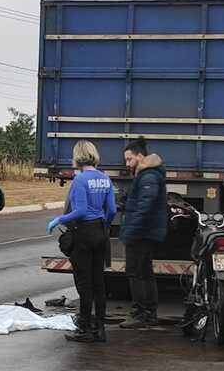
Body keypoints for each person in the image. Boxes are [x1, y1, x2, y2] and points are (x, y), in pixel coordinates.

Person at [47, 141, 116, 343]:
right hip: (100, 232)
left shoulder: (80, 180)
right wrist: (104, 225)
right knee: (99, 282)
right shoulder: (105, 179)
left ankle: (84, 327)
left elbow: (80, 211)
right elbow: (111, 209)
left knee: (84, 284)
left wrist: (59, 220)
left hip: (83, 233)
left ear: (77, 157)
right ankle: (100, 328)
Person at [118, 137, 167, 329]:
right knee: (145, 272)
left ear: (140, 156)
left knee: (137, 273)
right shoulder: (146, 174)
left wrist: (130, 232)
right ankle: (148, 312)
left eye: (130, 159)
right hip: (145, 232)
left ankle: (141, 313)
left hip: (142, 233)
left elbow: (144, 208)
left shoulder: (148, 176)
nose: (127, 164)